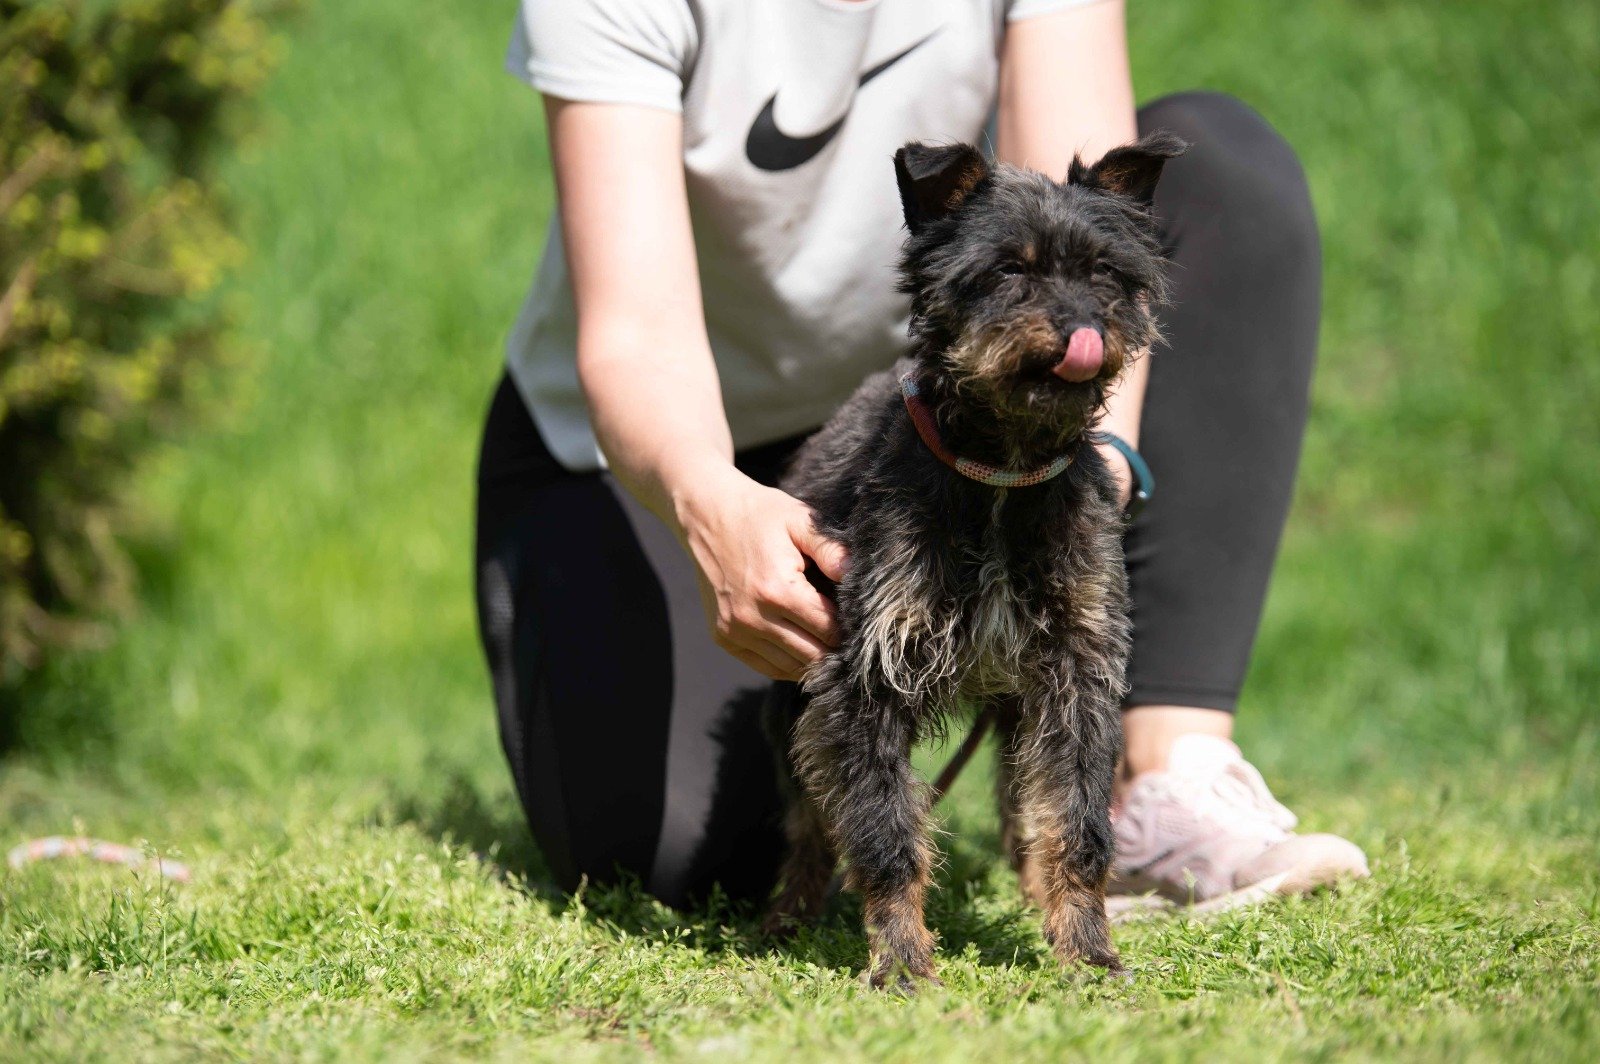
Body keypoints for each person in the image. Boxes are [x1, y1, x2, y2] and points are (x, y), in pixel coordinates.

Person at [476, 0, 1369, 914]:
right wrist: (709, 501)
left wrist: (1079, 466)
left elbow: (1067, 207)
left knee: (1228, 167)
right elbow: (637, 337)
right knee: (673, 854)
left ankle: (1166, 777)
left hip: (943, 407)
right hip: (665, 441)